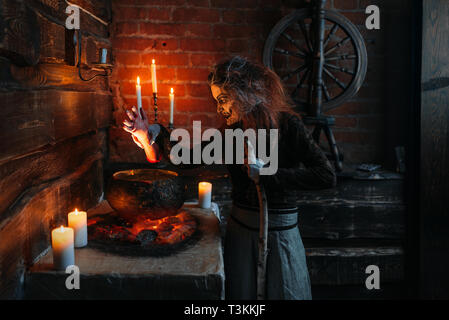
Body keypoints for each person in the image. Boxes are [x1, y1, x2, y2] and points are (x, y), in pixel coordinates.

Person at [123, 56, 336, 300]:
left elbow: (325, 175)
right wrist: (150, 133)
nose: (219, 109)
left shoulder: (288, 126)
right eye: (216, 101)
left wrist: (269, 175)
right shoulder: (232, 134)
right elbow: (184, 158)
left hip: (280, 240)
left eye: (223, 99)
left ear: (247, 92)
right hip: (242, 237)